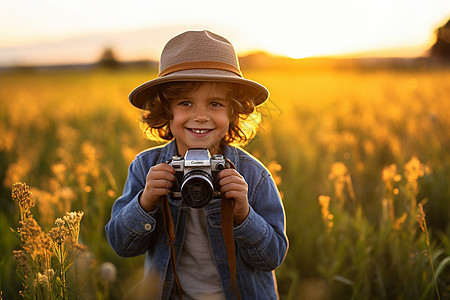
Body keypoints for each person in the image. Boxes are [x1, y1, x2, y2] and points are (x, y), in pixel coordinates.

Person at [105, 30, 288, 300]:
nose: (200, 116)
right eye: (186, 103)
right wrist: (145, 202)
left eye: (215, 103)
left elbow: (273, 256)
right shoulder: (146, 168)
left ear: (232, 112)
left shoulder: (252, 175)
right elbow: (121, 245)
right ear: (166, 110)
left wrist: (243, 215)